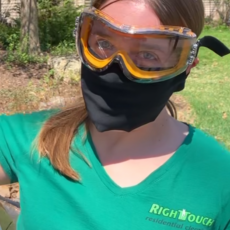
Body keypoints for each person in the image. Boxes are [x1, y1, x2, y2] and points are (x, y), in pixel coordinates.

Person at [0, 0, 230, 229]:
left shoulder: (219, 182)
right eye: (103, 43)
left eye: (148, 55)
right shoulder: (32, 137)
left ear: (186, 67)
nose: (115, 67)